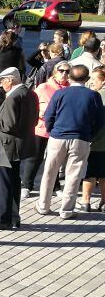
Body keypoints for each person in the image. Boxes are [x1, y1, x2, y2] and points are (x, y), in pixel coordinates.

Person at [37, 65, 105, 218]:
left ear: (69, 77)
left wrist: (52, 130)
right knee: (73, 174)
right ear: (87, 79)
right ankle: (67, 210)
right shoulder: (93, 96)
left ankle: (43, 206)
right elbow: (100, 121)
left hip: (58, 137)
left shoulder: (60, 93)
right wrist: (89, 135)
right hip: (81, 138)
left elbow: (49, 116)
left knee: (49, 171)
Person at [0, 67, 38, 230]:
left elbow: (8, 125)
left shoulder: (13, 97)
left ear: (10, 80)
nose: (1, 85)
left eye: (2, 81)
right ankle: (14, 217)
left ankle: (2, 219)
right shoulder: (30, 93)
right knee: (14, 181)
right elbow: (34, 121)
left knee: (1, 182)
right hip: (20, 145)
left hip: (6, 146)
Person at [22, 61, 71, 197]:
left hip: (59, 130)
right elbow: (30, 105)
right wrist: (39, 113)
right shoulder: (43, 87)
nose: (64, 74)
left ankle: (55, 187)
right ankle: (26, 185)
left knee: (55, 159)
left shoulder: (70, 89)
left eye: (67, 71)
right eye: (61, 70)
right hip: (41, 127)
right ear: (55, 72)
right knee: (34, 157)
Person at [79, 68, 105, 212]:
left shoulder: (94, 96)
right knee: (103, 174)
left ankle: (85, 201)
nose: (91, 82)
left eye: (95, 79)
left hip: (95, 142)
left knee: (90, 172)